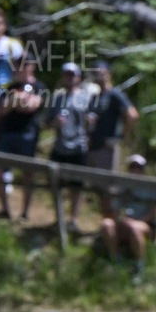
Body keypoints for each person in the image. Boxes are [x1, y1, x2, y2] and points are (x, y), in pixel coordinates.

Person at [0, 56, 47, 220]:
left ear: (31, 66)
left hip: (28, 135)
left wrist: (14, 101)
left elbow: (31, 107)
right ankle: (5, 209)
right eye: (16, 64)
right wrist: (16, 100)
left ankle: (25, 212)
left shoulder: (39, 86)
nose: (18, 67)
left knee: (28, 174)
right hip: (7, 133)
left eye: (22, 64)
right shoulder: (10, 86)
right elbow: (1, 111)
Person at [85, 60, 139, 212]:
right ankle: (105, 224)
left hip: (106, 149)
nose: (98, 76)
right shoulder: (95, 96)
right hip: (93, 146)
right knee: (96, 188)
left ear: (108, 74)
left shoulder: (115, 94)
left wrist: (120, 137)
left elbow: (132, 114)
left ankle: (111, 223)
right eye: (95, 73)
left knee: (108, 189)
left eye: (101, 72)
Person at [96, 154, 156, 283]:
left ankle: (139, 267)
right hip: (124, 222)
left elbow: (152, 213)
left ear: (143, 169)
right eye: (132, 166)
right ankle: (116, 260)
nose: (134, 169)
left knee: (134, 228)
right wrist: (120, 220)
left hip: (144, 224)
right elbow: (115, 210)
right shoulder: (122, 185)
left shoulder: (150, 187)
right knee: (106, 224)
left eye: (138, 167)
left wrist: (135, 222)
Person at [45, 62, 90, 232]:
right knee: (56, 185)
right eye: (66, 74)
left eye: (72, 75)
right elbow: (46, 123)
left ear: (78, 77)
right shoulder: (56, 98)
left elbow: (92, 121)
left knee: (77, 186)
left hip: (79, 147)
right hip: (59, 146)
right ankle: (59, 217)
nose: (69, 78)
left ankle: (74, 219)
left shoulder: (86, 97)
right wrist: (55, 122)